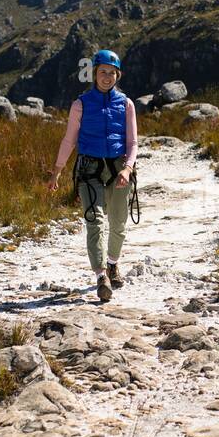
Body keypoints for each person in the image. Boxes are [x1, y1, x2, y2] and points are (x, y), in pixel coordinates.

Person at [47, 49, 138, 302]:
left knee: (118, 224)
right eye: (102, 72)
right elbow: (69, 140)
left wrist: (127, 168)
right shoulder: (81, 104)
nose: (107, 77)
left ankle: (112, 263)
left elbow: (133, 142)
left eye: (111, 73)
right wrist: (57, 170)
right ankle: (101, 276)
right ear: (94, 74)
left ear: (117, 75)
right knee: (94, 222)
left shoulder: (126, 104)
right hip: (88, 169)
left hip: (120, 168)